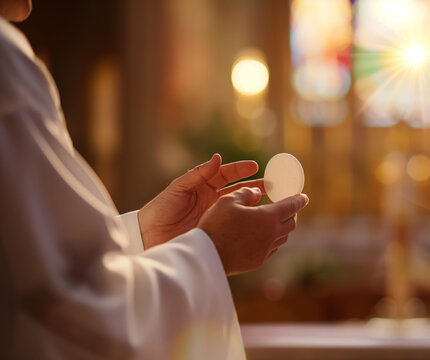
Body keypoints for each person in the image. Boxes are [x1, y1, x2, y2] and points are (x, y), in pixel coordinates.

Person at [0, 1, 309, 358]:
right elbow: (76, 314)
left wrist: (145, 233)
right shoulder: (6, 62)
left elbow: (25, 262)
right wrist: (213, 250)